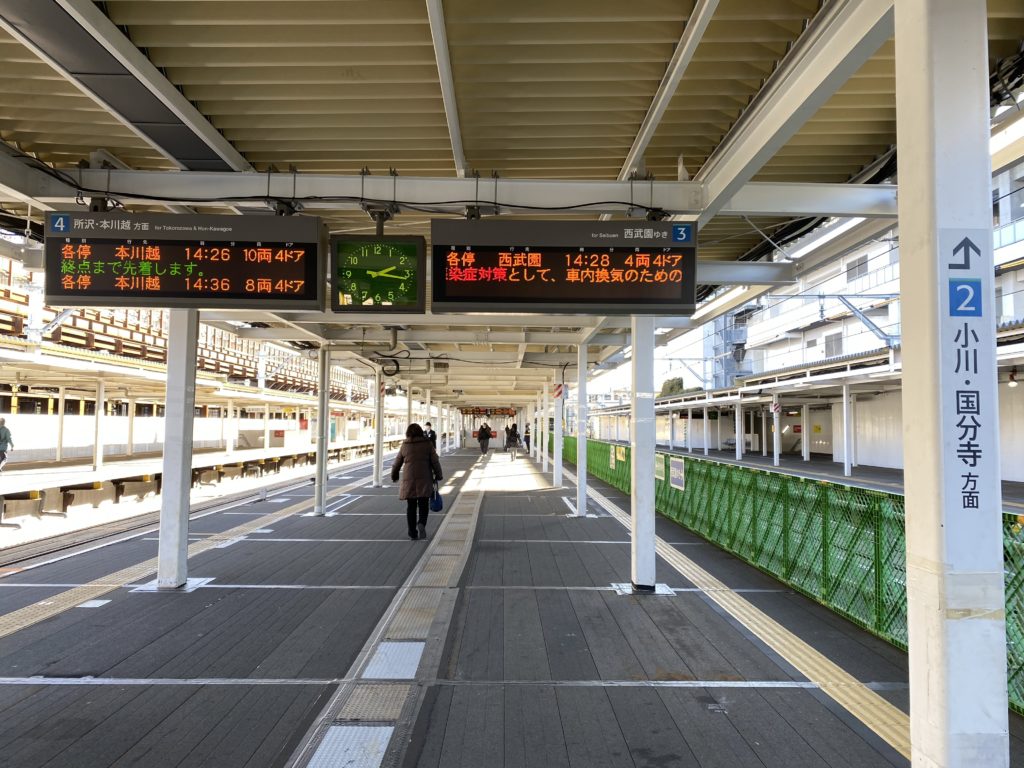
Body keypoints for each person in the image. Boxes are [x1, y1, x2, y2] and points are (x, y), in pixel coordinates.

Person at [391, 423, 442, 541]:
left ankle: (412, 533)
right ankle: (422, 523)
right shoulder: (427, 444)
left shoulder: (405, 445)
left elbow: (397, 462)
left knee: (411, 506)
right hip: (424, 478)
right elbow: (435, 461)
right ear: (420, 432)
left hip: (409, 480)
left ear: (408, 433)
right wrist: (439, 475)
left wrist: (394, 475)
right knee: (424, 504)